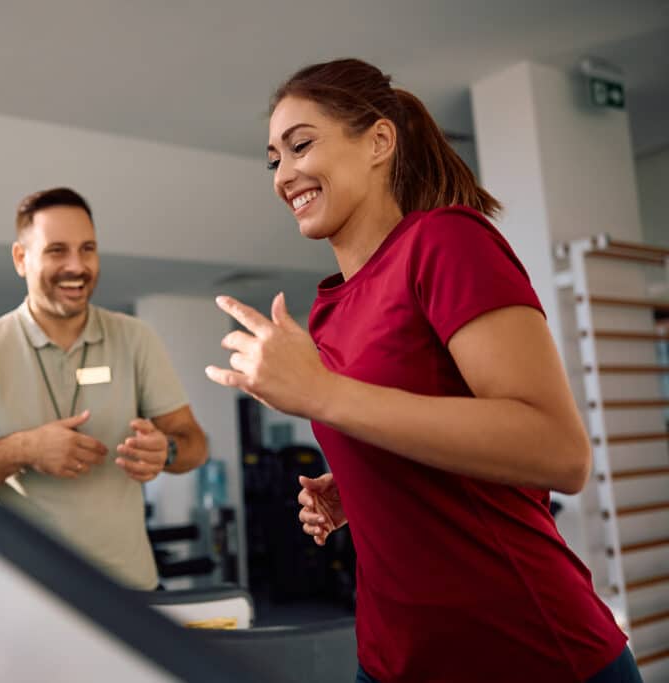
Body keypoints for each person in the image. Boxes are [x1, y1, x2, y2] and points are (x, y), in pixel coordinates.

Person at [205, 59, 640, 683]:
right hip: (392, 660)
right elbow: (414, 421)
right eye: (274, 159)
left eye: (301, 145)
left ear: (379, 142)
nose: (285, 174)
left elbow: (559, 451)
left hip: (527, 654)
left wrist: (323, 394)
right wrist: (364, 481)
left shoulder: (445, 242)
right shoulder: (327, 310)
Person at [0, 187, 207, 590]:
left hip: (131, 591)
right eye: (57, 250)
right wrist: (26, 450)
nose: (76, 266)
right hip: (28, 596)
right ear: (21, 259)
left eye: (87, 249)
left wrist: (168, 450)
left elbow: (195, 444)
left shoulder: (135, 339)